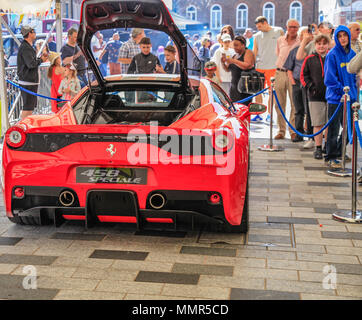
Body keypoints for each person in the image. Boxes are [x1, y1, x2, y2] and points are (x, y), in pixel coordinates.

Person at [324, 25, 357, 169]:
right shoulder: (332, 55)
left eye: (345, 35)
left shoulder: (353, 55)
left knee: (350, 128)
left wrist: (354, 95)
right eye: (340, 36)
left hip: (351, 99)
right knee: (333, 129)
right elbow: (329, 79)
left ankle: (339, 151)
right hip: (336, 99)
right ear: (336, 38)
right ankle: (331, 156)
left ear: (349, 37)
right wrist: (342, 91)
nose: (343, 38)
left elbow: (355, 77)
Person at [301, 34, 330, 160]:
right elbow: (303, 76)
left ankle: (327, 147)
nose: (321, 46)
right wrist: (311, 86)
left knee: (329, 123)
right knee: (317, 123)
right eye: (319, 43)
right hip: (315, 96)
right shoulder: (309, 59)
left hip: (331, 95)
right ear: (315, 45)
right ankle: (318, 147)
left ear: (328, 45)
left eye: (324, 43)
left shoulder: (331, 57)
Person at [253, 16, 284, 122]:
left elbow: (283, 47)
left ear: (265, 23)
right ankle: (258, 114)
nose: (259, 28)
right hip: (259, 67)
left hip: (273, 67)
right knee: (258, 92)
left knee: (272, 92)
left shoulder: (278, 31)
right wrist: (253, 67)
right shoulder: (257, 35)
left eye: (260, 26)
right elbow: (255, 51)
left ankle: (270, 115)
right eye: (257, 27)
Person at [273, 19, 300, 141]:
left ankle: (293, 130)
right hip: (280, 72)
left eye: (295, 27)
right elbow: (278, 54)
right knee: (279, 103)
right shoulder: (280, 40)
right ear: (286, 27)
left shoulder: (301, 41)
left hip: (294, 75)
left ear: (298, 28)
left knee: (295, 103)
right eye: (291, 27)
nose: (293, 29)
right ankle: (281, 130)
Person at [17, 25, 48, 120]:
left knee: (30, 108)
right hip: (28, 82)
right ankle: (23, 128)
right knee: (28, 108)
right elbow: (31, 64)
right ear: (29, 33)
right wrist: (41, 60)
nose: (35, 33)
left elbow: (30, 62)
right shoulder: (26, 47)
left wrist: (39, 59)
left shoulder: (27, 47)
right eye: (33, 31)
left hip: (29, 82)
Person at [284, 27, 309, 142]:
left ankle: (311, 134)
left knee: (309, 110)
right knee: (298, 109)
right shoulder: (294, 51)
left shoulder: (313, 50)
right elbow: (289, 69)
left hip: (310, 84)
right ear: (300, 37)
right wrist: (293, 83)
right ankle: (299, 134)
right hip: (297, 83)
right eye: (303, 35)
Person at [221, 35, 256, 103]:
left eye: (236, 45)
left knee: (244, 107)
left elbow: (247, 65)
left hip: (244, 88)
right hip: (234, 87)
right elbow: (227, 69)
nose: (234, 47)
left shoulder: (248, 52)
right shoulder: (235, 55)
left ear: (243, 45)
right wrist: (223, 63)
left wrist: (233, 61)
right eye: (234, 45)